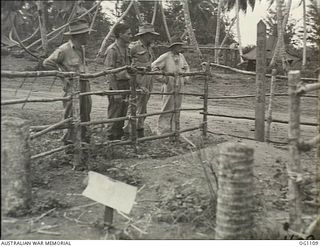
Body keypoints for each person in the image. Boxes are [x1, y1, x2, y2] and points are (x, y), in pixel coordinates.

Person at [43, 19, 94, 147]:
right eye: (86, 34)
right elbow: (48, 63)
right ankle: (69, 145)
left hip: (84, 85)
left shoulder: (81, 49)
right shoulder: (64, 49)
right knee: (71, 116)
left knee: (85, 113)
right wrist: (63, 75)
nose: (88, 36)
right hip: (72, 87)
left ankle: (82, 142)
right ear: (78, 35)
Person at [123, 23, 159, 139]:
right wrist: (136, 84)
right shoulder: (133, 47)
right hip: (137, 81)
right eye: (150, 35)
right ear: (144, 35)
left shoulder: (149, 48)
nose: (152, 38)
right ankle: (127, 132)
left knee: (143, 107)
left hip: (148, 80)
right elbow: (128, 66)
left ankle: (139, 130)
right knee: (133, 106)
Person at [151, 37, 190, 135]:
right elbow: (153, 67)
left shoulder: (181, 57)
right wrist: (164, 79)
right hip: (169, 85)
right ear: (173, 47)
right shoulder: (165, 57)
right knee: (167, 108)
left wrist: (185, 78)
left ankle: (174, 130)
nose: (180, 47)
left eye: (180, 45)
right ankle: (163, 131)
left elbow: (186, 67)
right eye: (178, 45)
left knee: (177, 107)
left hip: (180, 84)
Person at [104, 23, 132, 140]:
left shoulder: (127, 49)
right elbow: (109, 72)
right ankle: (110, 139)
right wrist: (115, 92)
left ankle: (118, 139)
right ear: (120, 34)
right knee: (114, 113)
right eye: (128, 34)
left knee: (123, 112)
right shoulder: (112, 50)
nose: (131, 36)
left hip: (126, 84)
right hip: (116, 85)